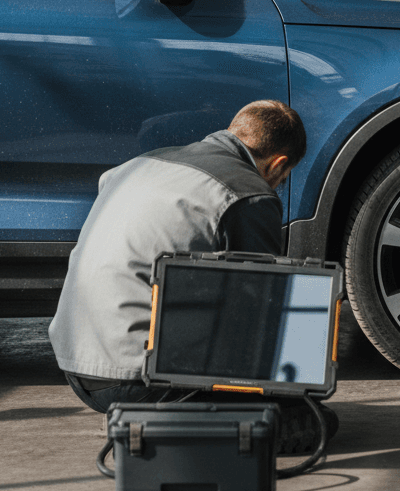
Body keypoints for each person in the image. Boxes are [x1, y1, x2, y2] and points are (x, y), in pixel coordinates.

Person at [49, 100, 331, 449]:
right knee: (313, 419)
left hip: (77, 366)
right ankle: (168, 420)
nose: (278, 185)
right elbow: (261, 314)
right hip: (136, 379)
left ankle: (155, 415)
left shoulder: (139, 164)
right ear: (279, 163)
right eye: (282, 179)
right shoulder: (248, 192)